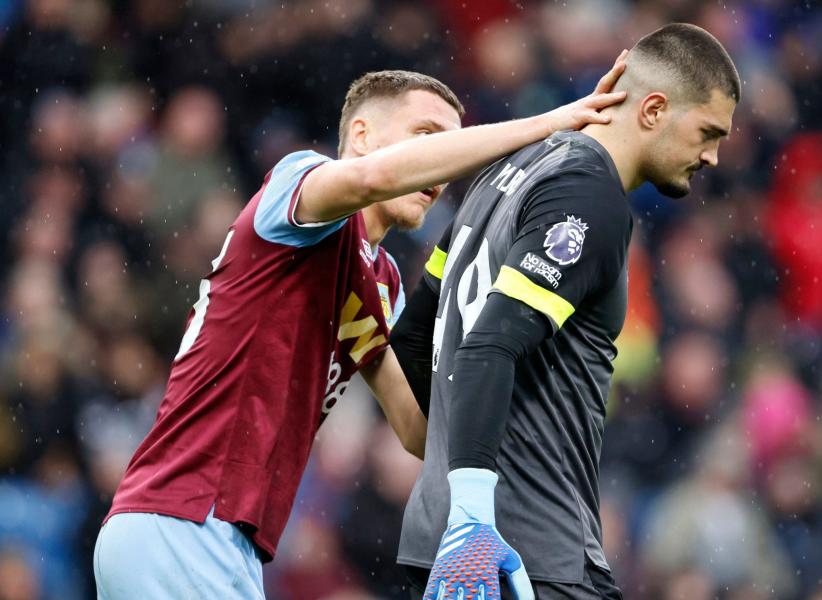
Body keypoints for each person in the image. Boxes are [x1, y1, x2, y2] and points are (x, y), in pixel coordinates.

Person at [92, 66, 629, 599]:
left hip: (228, 541)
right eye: (428, 137)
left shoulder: (385, 282)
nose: (440, 168)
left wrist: (513, 392)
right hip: (182, 516)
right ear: (361, 136)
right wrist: (550, 125)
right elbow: (374, 178)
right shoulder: (297, 185)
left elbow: (416, 429)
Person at [391, 23, 741, 600]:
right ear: (653, 109)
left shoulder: (500, 177)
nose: (713, 155)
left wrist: (455, 482)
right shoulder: (589, 194)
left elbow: (411, 338)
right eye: (707, 132)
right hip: (528, 558)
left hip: (444, 551)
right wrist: (477, 515)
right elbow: (489, 344)